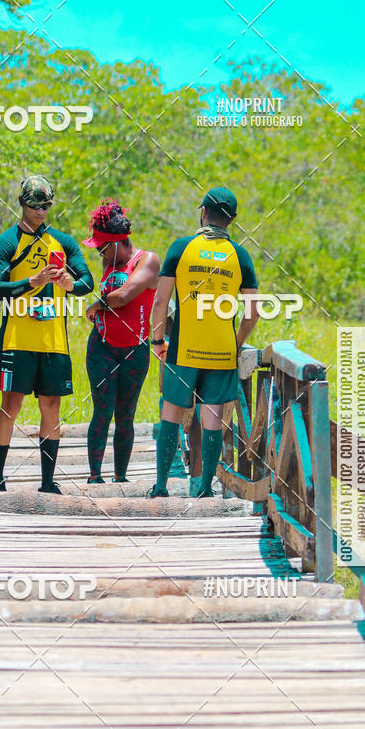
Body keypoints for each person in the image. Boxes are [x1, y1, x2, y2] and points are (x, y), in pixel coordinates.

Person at [148, 186, 259, 498]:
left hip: (184, 350)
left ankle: (160, 487)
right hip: (221, 354)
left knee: (170, 415)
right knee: (211, 419)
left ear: (202, 211)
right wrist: (236, 343)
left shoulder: (181, 248)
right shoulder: (240, 256)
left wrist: (158, 340)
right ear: (232, 219)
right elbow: (252, 312)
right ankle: (205, 490)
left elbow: (160, 302)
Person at [0, 174, 94, 493]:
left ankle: (48, 482)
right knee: (11, 405)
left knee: (51, 407)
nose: (40, 211)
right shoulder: (6, 242)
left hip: (53, 343)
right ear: (22, 204)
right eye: (35, 205)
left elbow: (88, 282)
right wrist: (32, 282)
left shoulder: (63, 242)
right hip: (17, 340)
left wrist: (69, 285)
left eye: (46, 205)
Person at [83, 199, 160, 483]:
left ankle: (120, 478)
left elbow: (126, 295)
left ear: (118, 243)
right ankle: (94, 477)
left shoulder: (147, 261)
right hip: (102, 346)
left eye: (103, 247)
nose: (100, 253)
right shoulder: (108, 259)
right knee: (101, 410)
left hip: (134, 350)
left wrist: (97, 305)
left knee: (125, 415)